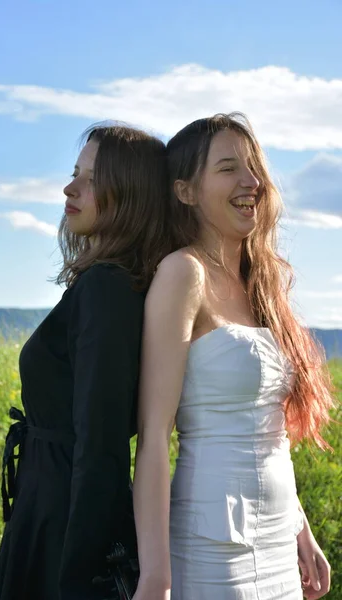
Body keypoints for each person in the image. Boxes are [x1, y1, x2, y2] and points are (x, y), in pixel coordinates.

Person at [132, 113, 334, 600]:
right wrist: (155, 576)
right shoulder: (183, 274)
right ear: (185, 191)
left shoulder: (260, 284)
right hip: (211, 545)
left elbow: (269, 430)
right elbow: (155, 435)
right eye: (228, 168)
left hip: (280, 542)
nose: (252, 182)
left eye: (253, 167)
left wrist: (300, 528)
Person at [0, 124, 171, 600]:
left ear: (129, 194)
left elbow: (101, 446)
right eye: (74, 174)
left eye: (92, 178)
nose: (71, 188)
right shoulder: (106, 284)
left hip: (64, 519)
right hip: (49, 505)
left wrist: (80, 576)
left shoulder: (107, 288)